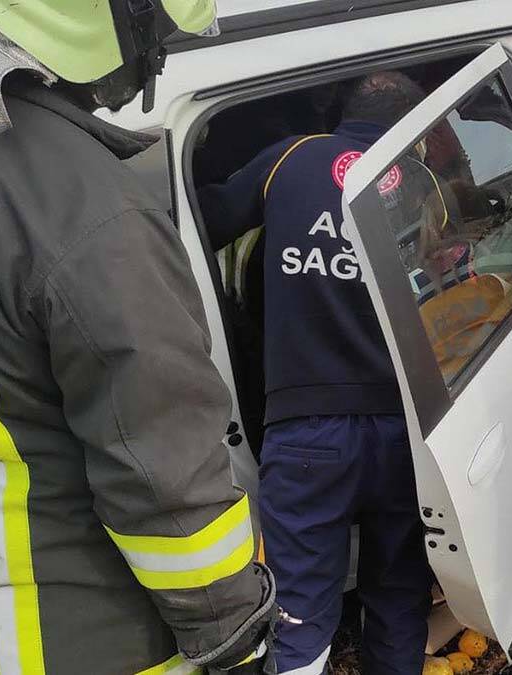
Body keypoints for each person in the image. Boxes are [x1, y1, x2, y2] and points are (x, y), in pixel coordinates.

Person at [0, 2, 277, 674]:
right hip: (65, 638)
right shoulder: (86, 208)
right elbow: (167, 482)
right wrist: (238, 638)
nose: (158, 52)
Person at [199, 71, 440, 675]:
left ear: (343, 114)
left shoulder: (294, 158)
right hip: (404, 431)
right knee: (398, 595)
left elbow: (206, 217)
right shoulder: (421, 183)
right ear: (411, 128)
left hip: (306, 428)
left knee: (299, 610)